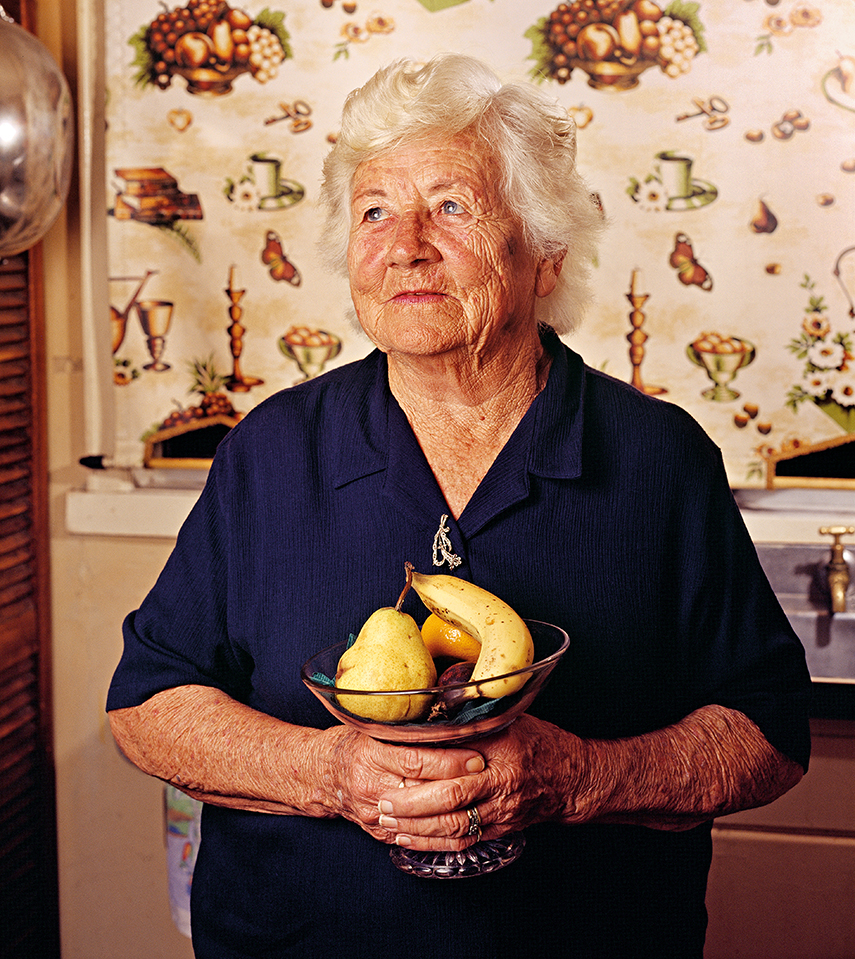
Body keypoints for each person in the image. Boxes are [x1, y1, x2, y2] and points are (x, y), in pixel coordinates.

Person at [107, 53, 811, 959]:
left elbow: (767, 729)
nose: (405, 245)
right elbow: (148, 700)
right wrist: (330, 773)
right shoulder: (272, 452)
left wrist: (580, 777)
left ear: (545, 253)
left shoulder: (655, 458)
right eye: (373, 211)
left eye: (450, 206)